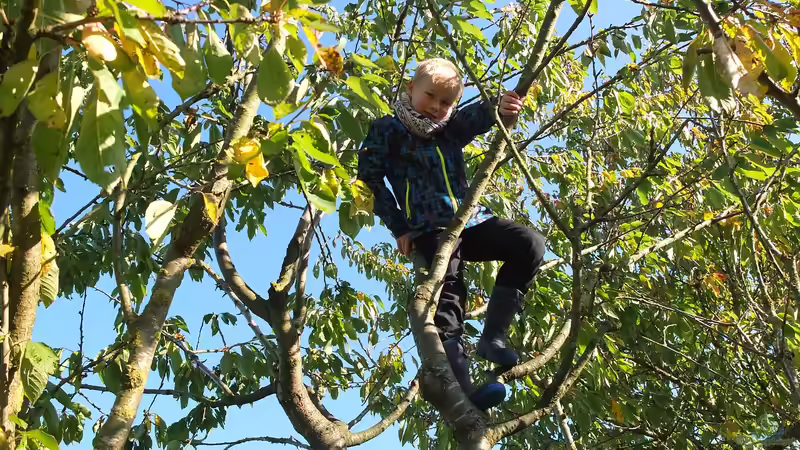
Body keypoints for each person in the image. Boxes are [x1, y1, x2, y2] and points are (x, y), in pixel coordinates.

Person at [356, 58, 546, 410]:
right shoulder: (387, 129)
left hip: (468, 221)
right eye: (431, 96)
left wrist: (502, 106)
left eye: (446, 102)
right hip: (430, 228)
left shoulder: (449, 128)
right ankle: (462, 386)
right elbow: (367, 180)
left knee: (529, 243)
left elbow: (478, 114)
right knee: (450, 294)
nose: (437, 107)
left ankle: (494, 338)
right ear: (410, 89)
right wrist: (399, 226)